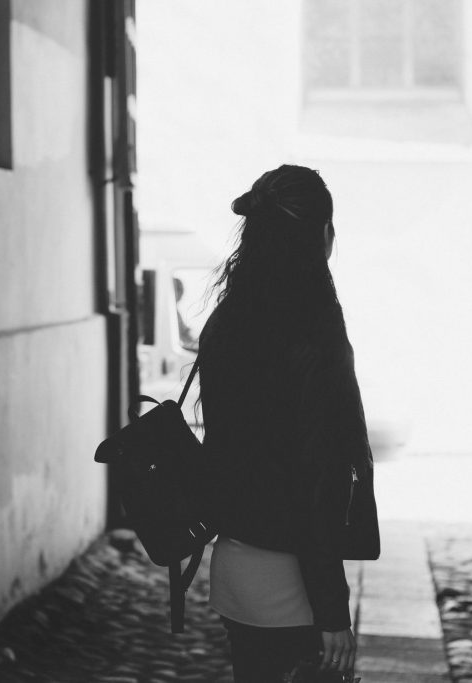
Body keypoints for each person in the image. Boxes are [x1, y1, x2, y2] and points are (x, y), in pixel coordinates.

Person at [197, 165, 379, 682]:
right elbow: (314, 479)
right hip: (291, 584)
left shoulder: (226, 321)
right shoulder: (312, 333)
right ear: (323, 234)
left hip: (235, 566)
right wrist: (332, 608)